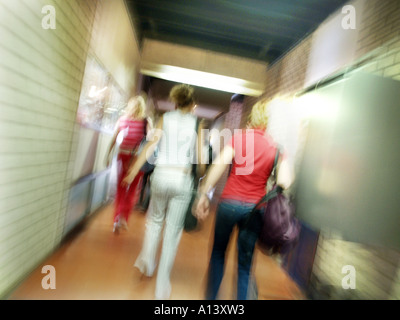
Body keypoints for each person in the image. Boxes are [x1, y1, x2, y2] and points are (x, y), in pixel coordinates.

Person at [195, 99, 293, 300]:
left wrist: (203, 193)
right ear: (266, 123)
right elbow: (285, 181)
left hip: (228, 205)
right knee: (245, 266)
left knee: (218, 255)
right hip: (255, 210)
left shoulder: (239, 138)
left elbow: (220, 165)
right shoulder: (275, 147)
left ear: (250, 120)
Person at [122, 84, 205, 300]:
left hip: (160, 176)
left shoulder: (165, 119)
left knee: (155, 221)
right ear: (191, 104)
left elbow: (150, 146)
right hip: (181, 179)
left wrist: (133, 171)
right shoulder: (198, 123)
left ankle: (147, 263)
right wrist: (201, 178)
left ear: (176, 102)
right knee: (173, 231)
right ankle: (162, 284)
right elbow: (201, 161)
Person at [106, 95, 149, 233]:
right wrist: (108, 154)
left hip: (137, 159)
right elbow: (114, 138)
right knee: (121, 188)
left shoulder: (145, 122)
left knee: (131, 189)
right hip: (124, 156)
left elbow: (151, 141)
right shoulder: (123, 120)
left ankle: (123, 218)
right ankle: (118, 219)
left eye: (137, 106)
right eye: (133, 105)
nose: (134, 108)